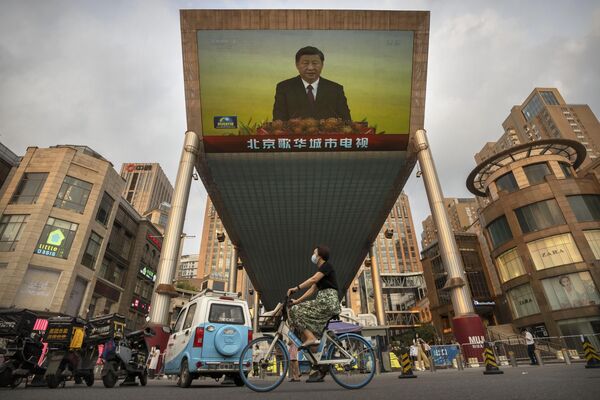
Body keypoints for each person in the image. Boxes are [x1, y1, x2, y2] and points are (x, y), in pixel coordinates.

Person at [287, 245, 341, 383]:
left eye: (314, 253)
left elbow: (312, 280)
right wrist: (297, 301)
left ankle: (310, 338)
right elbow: (312, 290)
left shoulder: (326, 267)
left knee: (295, 311)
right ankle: (316, 358)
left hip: (327, 301)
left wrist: (296, 288)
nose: (313, 255)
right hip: (323, 300)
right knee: (297, 309)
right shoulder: (322, 273)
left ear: (320, 256)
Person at [273, 46, 352, 122]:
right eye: (305, 63)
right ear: (297, 65)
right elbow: (278, 121)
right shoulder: (284, 88)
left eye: (315, 63)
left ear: (322, 65)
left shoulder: (335, 89)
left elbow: (346, 121)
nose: (310, 68)